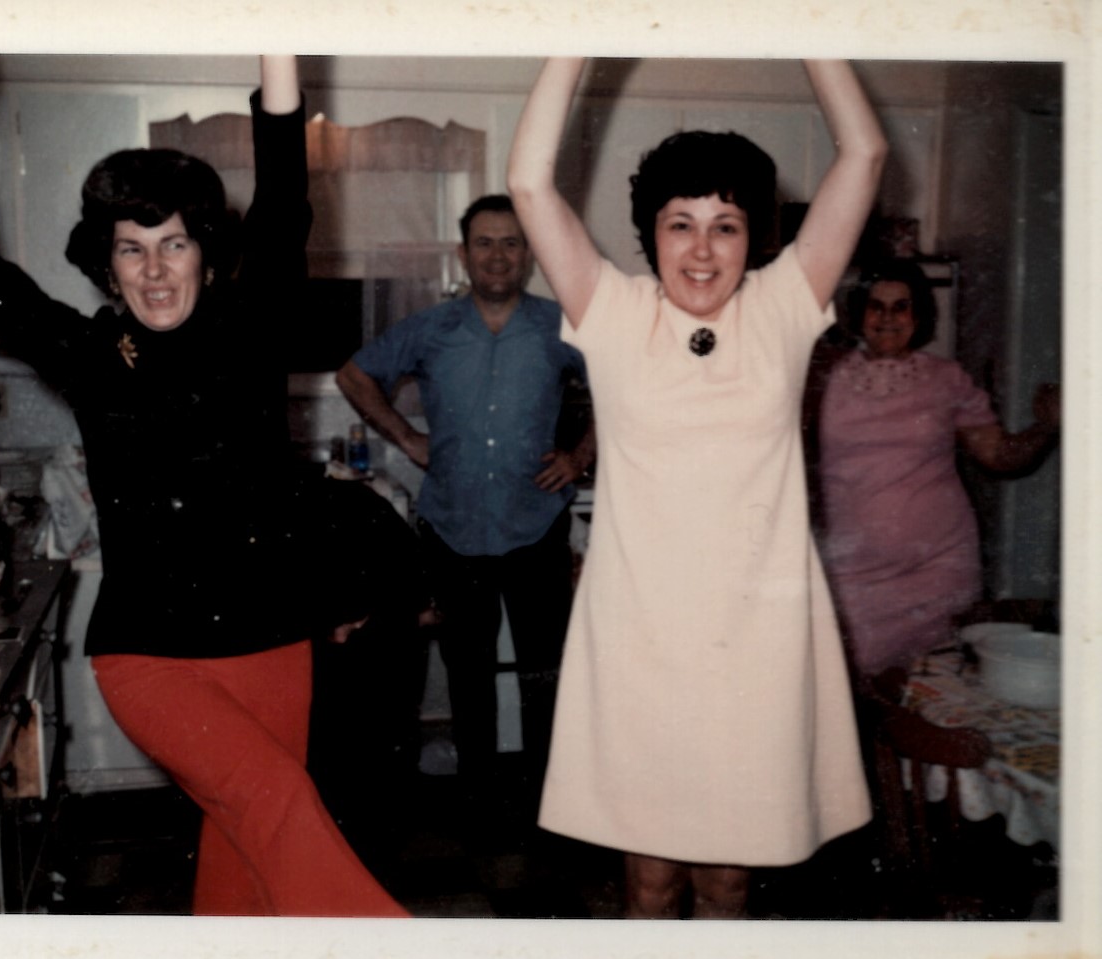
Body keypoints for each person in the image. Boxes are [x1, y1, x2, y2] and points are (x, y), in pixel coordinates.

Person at [0, 55, 408, 918]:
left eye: (173, 244)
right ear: (108, 263)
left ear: (204, 253)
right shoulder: (90, 355)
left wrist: (277, 48)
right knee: (278, 804)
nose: (154, 270)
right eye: (132, 248)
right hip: (149, 655)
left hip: (272, 643)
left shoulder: (250, 325)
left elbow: (284, 199)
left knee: (244, 854)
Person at [506, 58, 887, 919]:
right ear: (650, 232)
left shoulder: (785, 305)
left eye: (726, 225)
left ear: (755, 238)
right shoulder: (611, 309)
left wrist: (813, 32)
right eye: (680, 224)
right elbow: (528, 181)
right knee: (649, 884)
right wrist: (574, 40)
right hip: (641, 640)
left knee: (728, 883)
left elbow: (862, 153)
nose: (703, 249)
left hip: (757, 645)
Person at [335, 194, 595, 811]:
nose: (497, 256)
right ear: (463, 253)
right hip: (453, 531)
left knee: (544, 673)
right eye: (484, 243)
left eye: (510, 243)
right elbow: (353, 376)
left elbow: (625, 384)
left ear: (529, 254)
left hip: (536, 526)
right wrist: (406, 438)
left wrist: (579, 456)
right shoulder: (433, 328)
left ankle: (548, 805)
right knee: (468, 674)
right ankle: (480, 803)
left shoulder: (563, 325)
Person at [812, 258, 1060, 680]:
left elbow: (999, 455)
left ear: (920, 315)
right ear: (857, 313)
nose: (888, 318)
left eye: (901, 306)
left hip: (939, 570)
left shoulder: (946, 378)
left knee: (932, 688)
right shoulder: (823, 377)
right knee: (847, 687)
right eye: (875, 306)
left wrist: (1046, 426)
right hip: (848, 574)